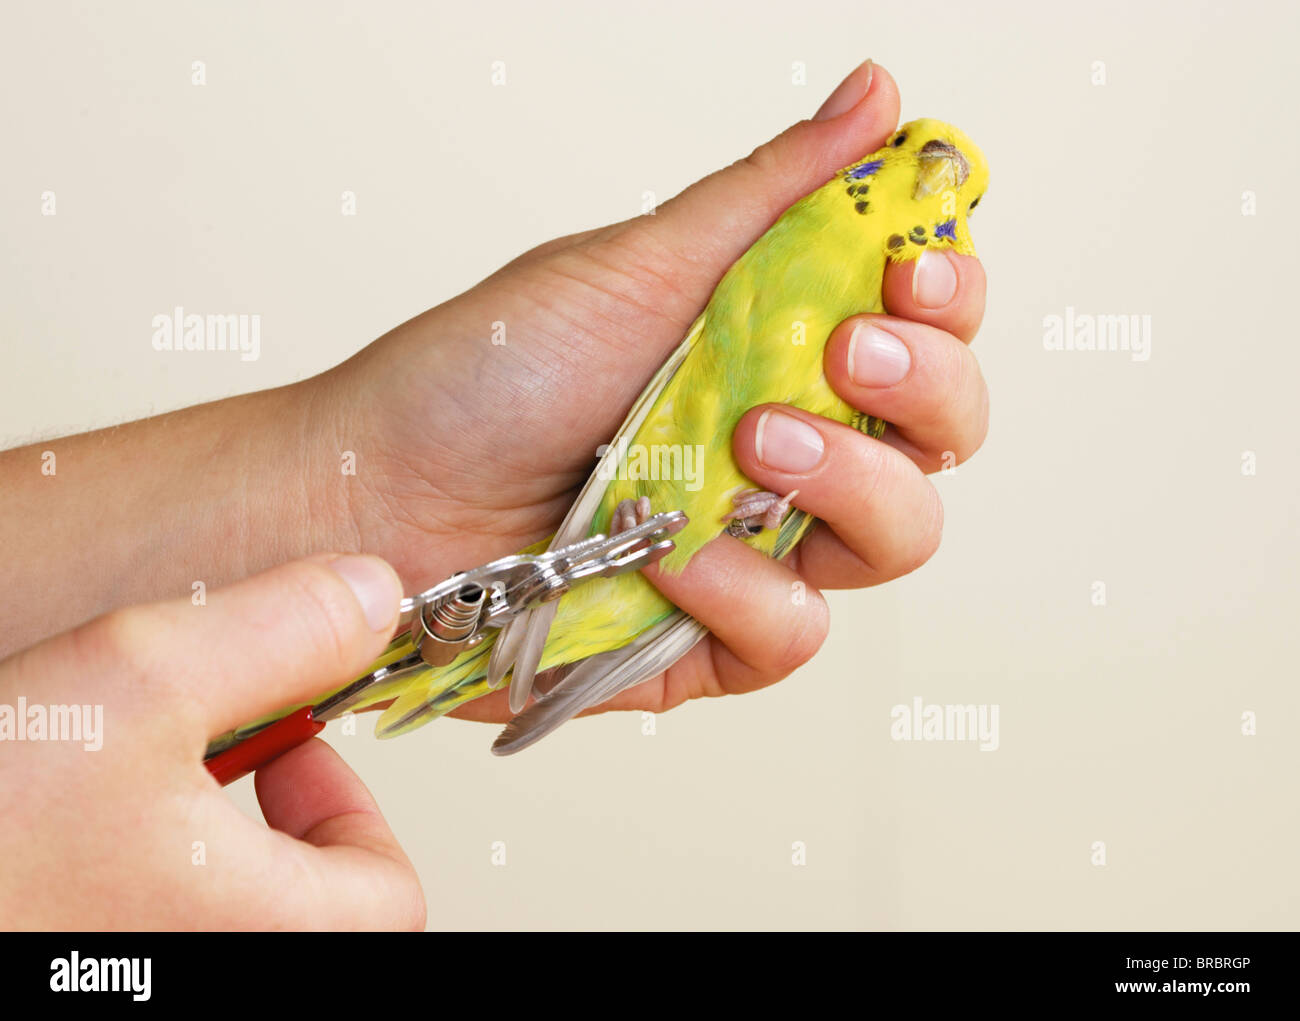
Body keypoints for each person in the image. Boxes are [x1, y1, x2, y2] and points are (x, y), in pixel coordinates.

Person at [0, 61, 988, 929]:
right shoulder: (799, 232)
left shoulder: (884, 310)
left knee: (383, 668)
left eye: (962, 194)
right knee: (377, 668)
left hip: (637, 560)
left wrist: (351, 494)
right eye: (907, 147)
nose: (932, 175)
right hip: (614, 522)